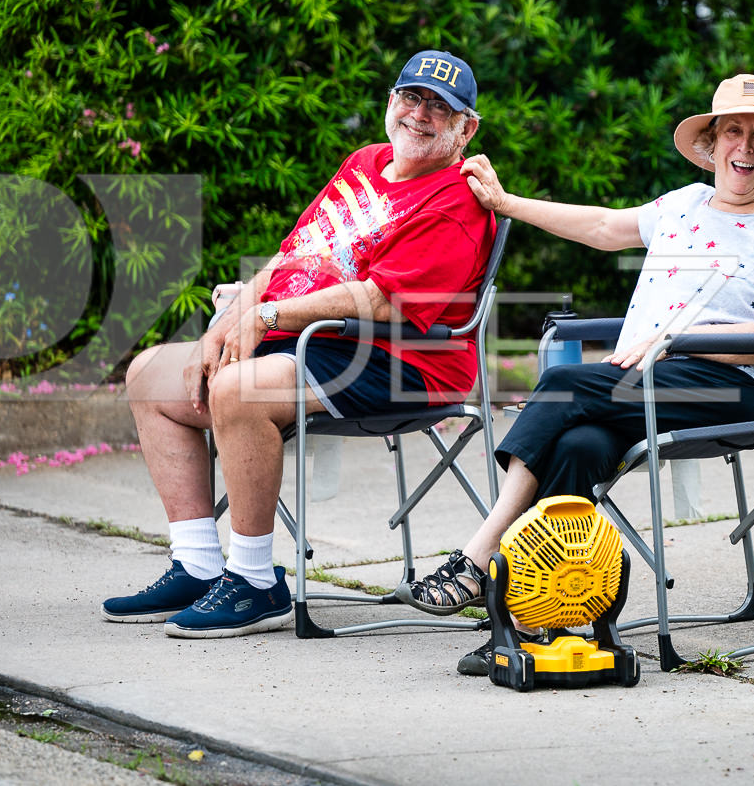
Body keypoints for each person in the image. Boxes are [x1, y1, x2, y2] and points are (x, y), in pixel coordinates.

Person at [397, 73, 754, 675]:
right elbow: (602, 227)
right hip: (647, 383)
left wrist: (675, 338)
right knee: (577, 443)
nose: (745, 148)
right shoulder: (681, 204)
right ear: (712, 143)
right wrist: (504, 203)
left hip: (734, 390)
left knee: (565, 384)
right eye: (733, 131)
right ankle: (539, 619)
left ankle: (478, 557)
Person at [101, 49, 495, 638]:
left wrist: (269, 313)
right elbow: (294, 253)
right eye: (412, 98)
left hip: (405, 358)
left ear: (467, 128)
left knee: (240, 388)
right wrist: (232, 318)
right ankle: (198, 564)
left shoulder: (456, 199)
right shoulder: (365, 161)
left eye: (441, 108)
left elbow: (385, 301)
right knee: (149, 375)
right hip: (311, 339)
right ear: (390, 102)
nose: (421, 114)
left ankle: (257, 582)